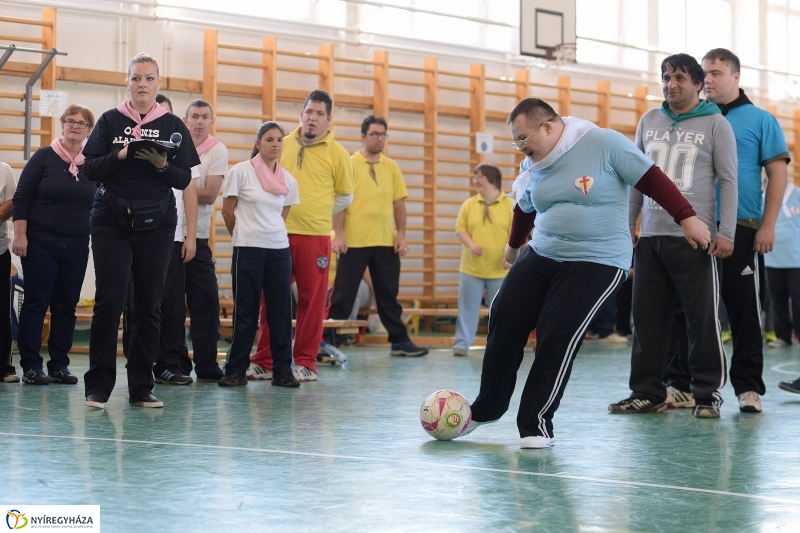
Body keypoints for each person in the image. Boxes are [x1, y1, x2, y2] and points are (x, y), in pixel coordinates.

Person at [454, 98, 710, 448]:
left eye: (522, 138)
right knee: (503, 314)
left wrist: (687, 217)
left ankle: (535, 423)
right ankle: (487, 407)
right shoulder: (534, 164)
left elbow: (652, 179)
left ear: (548, 126)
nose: (520, 147)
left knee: (557, 333)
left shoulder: (602, 143)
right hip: (544, 251)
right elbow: (524, 208)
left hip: (598, 260)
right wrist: (513, 248)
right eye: (515, 142)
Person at [608, 53, 737, 418]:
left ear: (698, 84)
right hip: (651, 237)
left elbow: (728, 180)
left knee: (702, 320)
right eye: (666, 77)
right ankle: (647, 392)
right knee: (646, 319)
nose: (671, 84)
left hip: (695, 238)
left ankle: (707, 395)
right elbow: (636, 177)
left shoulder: (716, 123)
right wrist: (628, 226)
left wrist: (726, 232)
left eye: (680, 77)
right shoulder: (649, 120)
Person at [82, 54, 200, 409]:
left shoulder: (172, 124)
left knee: (149, 305)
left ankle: (141, 387)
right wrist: (120, 156)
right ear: (128, 83)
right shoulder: (109, 120)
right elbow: (89, 169)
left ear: (158, 84)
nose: (143, 84)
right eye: (136, 78)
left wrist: (163, 165)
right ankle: (98, 387)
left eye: (149, 78)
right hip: (110, 223)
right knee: (110, 301)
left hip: (156, 225)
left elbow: (184, 179)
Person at [693, 48, 789, 413]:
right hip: (695, 226)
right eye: (705, 73)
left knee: (744, 310)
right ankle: (684, 384)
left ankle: (748, 387)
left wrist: (767, 225)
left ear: (736, 76)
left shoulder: (761, 120)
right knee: (691, 310)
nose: (709, 80)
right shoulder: (694, 118)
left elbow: (777, 173)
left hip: (743, 227)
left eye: (716, 73)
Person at [247, 90, 354, 382]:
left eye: (320, 113)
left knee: (312, 301)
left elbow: (345, 197)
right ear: (301, 115)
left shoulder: (340, 154)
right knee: (271, 299)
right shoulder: (282, 144)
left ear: (329, 120)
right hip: (277, 234)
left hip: (316, 237)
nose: (313, 118)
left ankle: (305, 361)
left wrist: (317, 212)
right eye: (309, 112)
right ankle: (265, 360)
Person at [328, 115, 428, 357]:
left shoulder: (391, 167)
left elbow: (399, 204)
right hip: (354, 242)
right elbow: (339, 202)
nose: (379, 138)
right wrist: (338, 233)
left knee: (388, 296)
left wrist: (401, 235)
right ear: (363, 136)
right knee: (343, 295)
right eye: (374, 134)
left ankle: (400, 341)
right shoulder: (349, 164)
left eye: (383, 134)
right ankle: (328, 343)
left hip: (385, 242)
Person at [12, 104, 97, 385]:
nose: (75, 126)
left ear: (88, 131)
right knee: (36, 303)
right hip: (40, 243)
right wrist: (20, 235)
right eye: (70, 121)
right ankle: (32, 366)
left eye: (81, 123)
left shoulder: (93, 163)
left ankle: (60, 364)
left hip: (76, 244)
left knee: (65, 306)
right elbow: (22, 197)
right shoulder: (43, 158)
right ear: (62, 125)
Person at [221, 122, 300, 388]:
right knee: (246, 312)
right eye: (269, 139)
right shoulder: (240, 172)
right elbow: (227, 211)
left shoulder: (288, 179)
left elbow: (282, 215)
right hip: (248, 248)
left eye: (279, 139)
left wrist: (269, 233)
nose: (275, 144)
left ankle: (282, 371)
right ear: (258, 143)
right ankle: (235, 370)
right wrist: (243, 234)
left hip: (279, 250)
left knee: (280, 312)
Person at [181, 99, 228, 381]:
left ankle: (208, 366)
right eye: (194, 116)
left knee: (207, 302)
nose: (199, 121)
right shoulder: (175, 146)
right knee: (171, 305)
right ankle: (175, 364)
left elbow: (210, 194)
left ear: (211, 121)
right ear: (185, 120)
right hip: (171, 235)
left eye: (204, 117)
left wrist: (179, 187)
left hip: (197, 237)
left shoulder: (217, 150)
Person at [453, 162, 513, 356]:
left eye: (480, 177)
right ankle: (462, 344)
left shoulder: (510, 205)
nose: (475, 181)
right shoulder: (469, 204)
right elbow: (460, 228)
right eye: (475, 177)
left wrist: (512, 256)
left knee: (500, 312)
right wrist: (471, 244)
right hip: (472, 269)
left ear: (492, 180)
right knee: (467, 308)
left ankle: (500, 346)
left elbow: (518, 235)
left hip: (500, 269)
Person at [765, 180, 800, 350]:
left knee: (798, 299)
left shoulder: (797, 194)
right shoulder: (765, 196)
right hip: (773, 257)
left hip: (796, 258)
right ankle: (783, 335)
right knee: (777, 299)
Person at [0, 161, 15, 383]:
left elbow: (12, 203)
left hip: (0, 249)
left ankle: (3, 365)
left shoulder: (4, 170)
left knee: (2, 310)